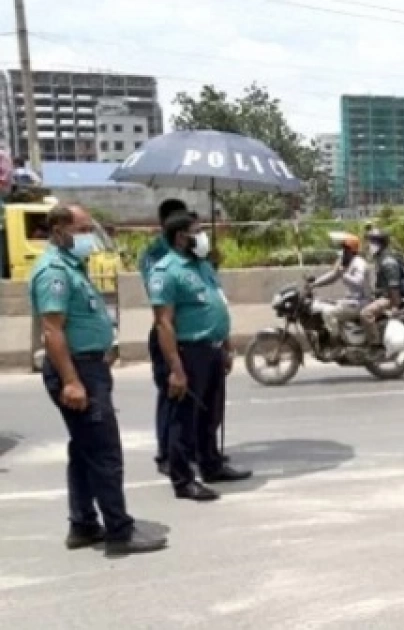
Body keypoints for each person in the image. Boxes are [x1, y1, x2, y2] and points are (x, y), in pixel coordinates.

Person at [30, 203, 167, 554]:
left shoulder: (74, 267)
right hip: (77, 370)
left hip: (89, 366)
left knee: (84, 450)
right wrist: (73, 381)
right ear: (59, 231)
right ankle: (119, 531)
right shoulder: (54, 272)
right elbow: (52, 331)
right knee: (105, 453)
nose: (89, 237)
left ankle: (83, 525)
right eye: (82, 230)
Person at [148, 212, 251, 502]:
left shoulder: (202, 266)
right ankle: (183, 480)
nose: (204, 235)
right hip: (188, 350)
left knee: (211, 413)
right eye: (198, 230)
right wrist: (176, 369)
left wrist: (226, 346)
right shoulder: (166, 271)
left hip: (212, 348)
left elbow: (218, 304)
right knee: (184, 419)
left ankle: (212, 464)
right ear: (181, 237)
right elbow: (164, 323)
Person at [140, 198, 193, 475]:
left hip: (193, 335)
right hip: (168, 331)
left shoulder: (191, 256)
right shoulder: (155, 257)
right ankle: (166, 453)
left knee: (192, 400)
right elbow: (159, 297)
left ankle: (191, 449)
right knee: (171, 394)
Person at [307, 232, 370, 337]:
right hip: (351, 301)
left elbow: (359, 282)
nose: (342, 251)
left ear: (350, 250)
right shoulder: (346, 262)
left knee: (328, 312)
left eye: (344, 249)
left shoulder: (359, 263)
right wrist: (314, 284)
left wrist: (343, 274)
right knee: (321, 303)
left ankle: (335, 342)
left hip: (361, 303)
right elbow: (333, 275)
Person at [359, 228, 404, 348]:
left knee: (366, 314)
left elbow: (394, 286)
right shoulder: (380, 259)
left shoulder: (388, 262)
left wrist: (395, 306)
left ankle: (375, 344)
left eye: (371, 242)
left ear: (380, 244)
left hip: (389, 298)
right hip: (382, 295)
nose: (368, 245)